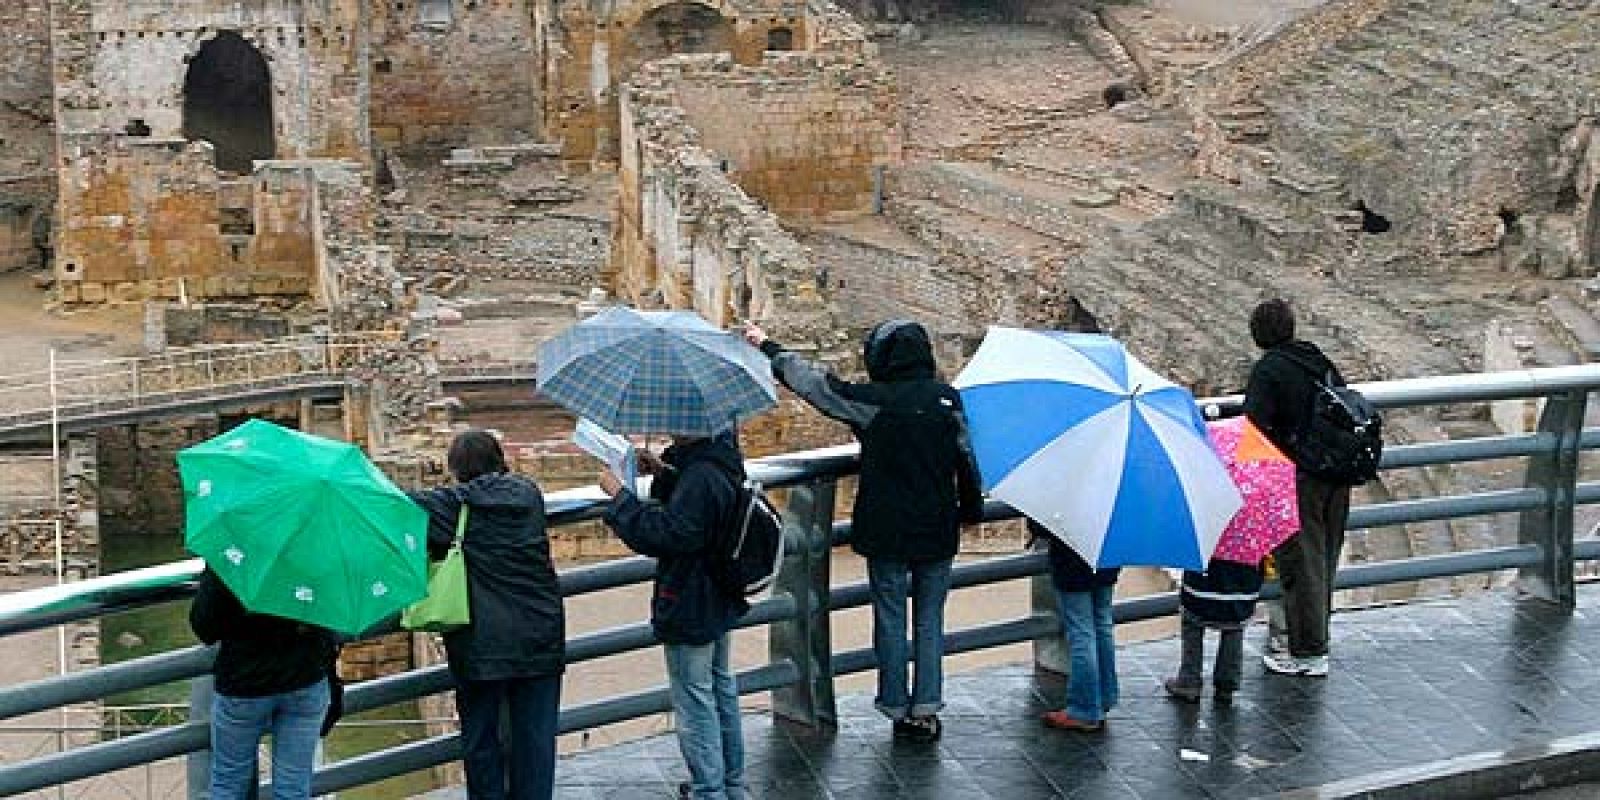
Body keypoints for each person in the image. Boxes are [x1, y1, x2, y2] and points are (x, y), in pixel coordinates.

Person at [744, 320, 983, 742]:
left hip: (887, 529)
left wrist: (770, 348)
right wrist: (971, 509)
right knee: (930, 620)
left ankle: (895, 706)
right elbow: (965, 458)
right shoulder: (947, 399)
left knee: (890, 619)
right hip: (938, 527)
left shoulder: (874, 402)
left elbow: (819, 388)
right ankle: (927, 707)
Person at [410, 430, 566, 800]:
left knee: (482, 741)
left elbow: (399, 504)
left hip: (483, 643)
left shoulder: (455, 505)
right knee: (536, 742)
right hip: (540, 634)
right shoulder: (529, 494)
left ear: (456, 470)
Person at [600, 431, 749, 800]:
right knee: (719, 687)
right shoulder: (720, 458)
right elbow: (697, 514)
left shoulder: (701, 476)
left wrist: (620, 499)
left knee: (695, 697)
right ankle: (731, 783)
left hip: (691, 596)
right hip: (719, 590)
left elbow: (669, 534)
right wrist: (664, 471)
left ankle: (709, 790)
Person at [1243, 298, 1351, 677]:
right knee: (1325, 558)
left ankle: (1308, 652)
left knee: (1302, 565)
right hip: (1335, 472)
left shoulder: (1269, 370)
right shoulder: (1316, 358)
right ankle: (1317, 640)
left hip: (1301, 479)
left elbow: (1253, 427)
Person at [190, 568, 338, 800]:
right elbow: (333, 613)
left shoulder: (235, 553)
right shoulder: (320, 552)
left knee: (229, 783)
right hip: (306, 676)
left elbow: (204, 627)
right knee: (294, 787)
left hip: (244, 682)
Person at [1029, 519, 1120, 732]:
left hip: (1072, 558)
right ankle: (1105, 696)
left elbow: (1042, 525)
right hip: (1108, 552)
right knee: (1102, 624)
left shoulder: (1067, 496)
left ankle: (1084, 709)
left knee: (1081, 632)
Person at [1164, 559, 1264, 704]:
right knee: (1234, 628)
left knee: (1192, 625)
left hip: (1201, 590)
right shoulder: (1250, 545)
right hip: (1240, 592)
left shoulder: (1204, 544)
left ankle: (1189, 682)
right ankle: (1226, 685)